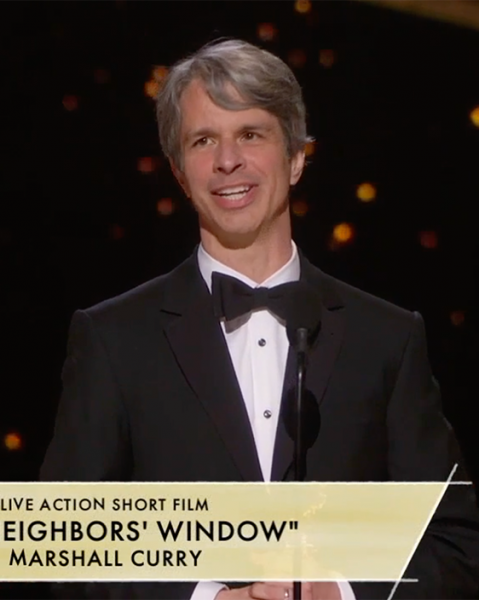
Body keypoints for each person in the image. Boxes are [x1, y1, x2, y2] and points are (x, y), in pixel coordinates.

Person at [40, 38, 479, 600]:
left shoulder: (387, 339)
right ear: (179, 172)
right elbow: (62, 543)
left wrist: (341, 592)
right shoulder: (113, 338)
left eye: (250, 134)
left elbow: (454, 546)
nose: (228, 161)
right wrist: (207, 598)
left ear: (296, 157)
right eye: (204, 141)